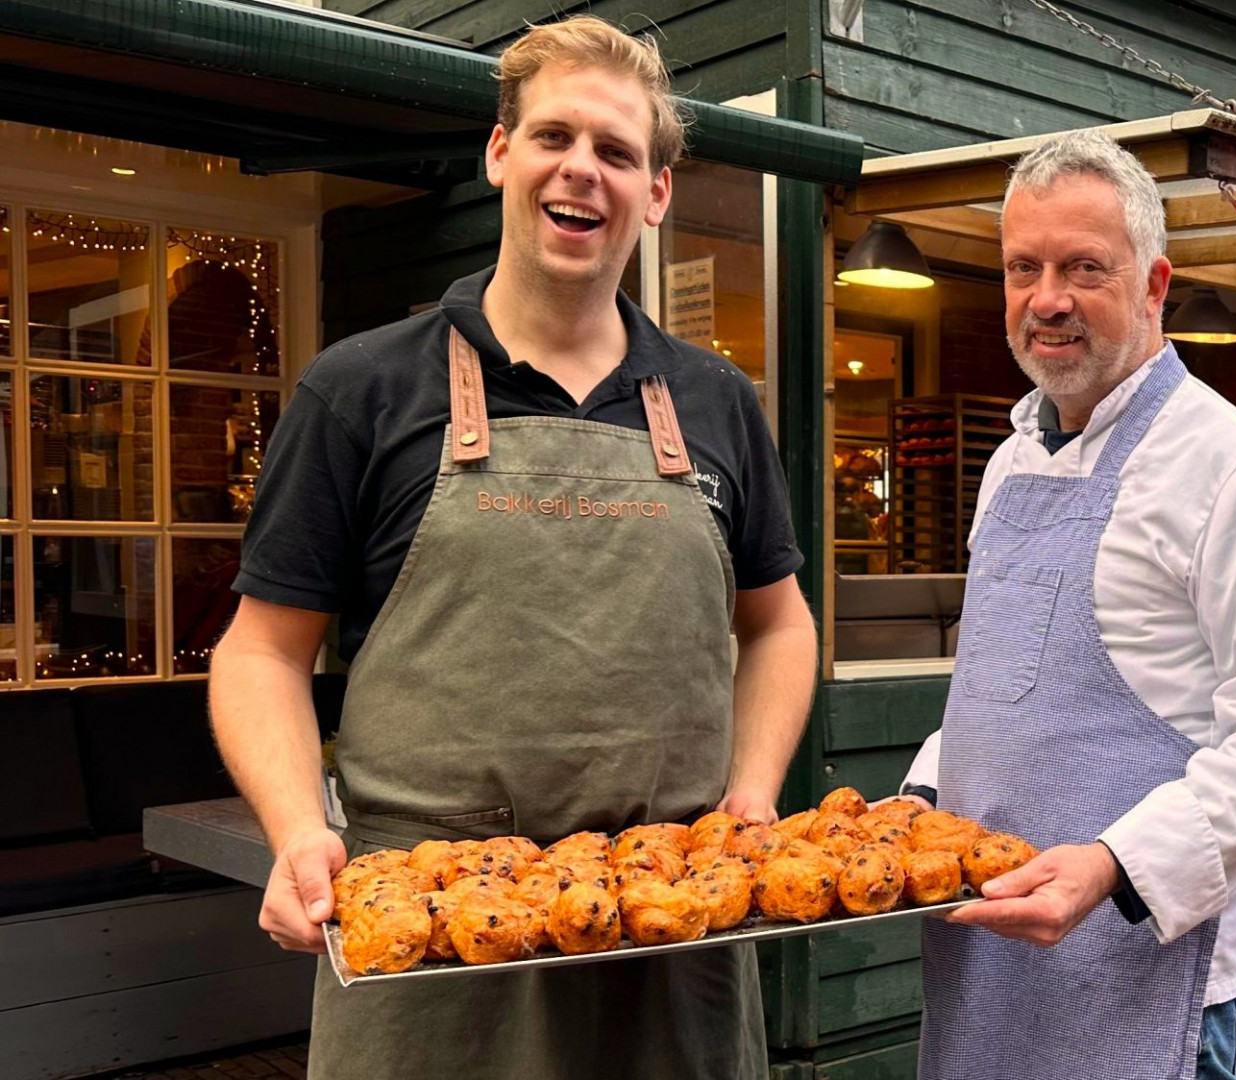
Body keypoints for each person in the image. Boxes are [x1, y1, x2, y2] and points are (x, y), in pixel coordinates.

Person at [207, 17, 817, 1078]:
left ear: (656, 192)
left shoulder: (716, 400)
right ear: (501, 155)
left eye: (619, 152)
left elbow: (779, 623)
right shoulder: (361, 391)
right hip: (435, 948)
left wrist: (753, 795)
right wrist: (299, 828)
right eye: (554, 136)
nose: (583, 169)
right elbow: (260, 652)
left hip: (673, 943)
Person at [891, 130, 1236, 1080]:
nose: (1046, 298)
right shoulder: (1010, 461)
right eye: (1023, 267)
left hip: (1145, 960)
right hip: (986, 952)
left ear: (1153, 285)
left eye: (1083, 267)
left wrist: (1109, 867)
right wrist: (920, 804)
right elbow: (996, 694)